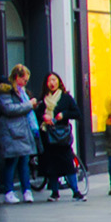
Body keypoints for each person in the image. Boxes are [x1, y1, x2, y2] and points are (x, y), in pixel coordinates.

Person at [0, 69, 40, 203]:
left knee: (24, 162)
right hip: (11, 133)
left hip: (21, 132)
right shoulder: (5, 92)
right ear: (17, 77)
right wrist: (28, 105)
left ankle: (26, 191)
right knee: (12, 162)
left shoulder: (21, 92)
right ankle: (9, 192)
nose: (25, 83)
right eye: (24, 80)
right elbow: (9, 109)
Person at [37, 72, 86, 202]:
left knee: (68, 164)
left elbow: (77, 113)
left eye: (54, 80)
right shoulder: (43, 99)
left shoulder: (66, 98)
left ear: (59, 82)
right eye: (49, 81)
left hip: (62, 137)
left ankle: (76, 191)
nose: (52, 83)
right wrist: (44, 117)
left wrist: (63, 115)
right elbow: (37, 114)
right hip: (48, 136)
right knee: (51, 165)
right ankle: (54, 192)